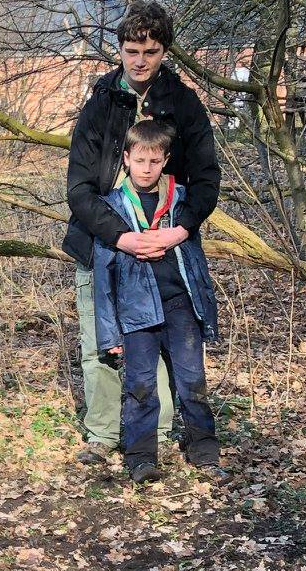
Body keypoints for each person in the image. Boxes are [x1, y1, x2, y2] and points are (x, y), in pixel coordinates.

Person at [63, 0, 222, 466]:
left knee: (173, 345)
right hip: (105, 241)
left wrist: (180, 231)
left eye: (150, 51)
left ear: (164, 51)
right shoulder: (100, 106)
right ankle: (104, 433)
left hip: (167, 242)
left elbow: (207, 181)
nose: (139, 60)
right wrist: (121, 237)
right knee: (102, 342)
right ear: (120, 49)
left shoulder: (184, 105)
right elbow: (78, 189)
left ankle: (166, 432)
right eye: (131, 50)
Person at [91, 120, 223, 482]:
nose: (147, 169)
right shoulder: (111, 208)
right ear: (126, 159)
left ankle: (205, 453)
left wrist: (205, 310)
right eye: (139, 161)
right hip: (136, 314)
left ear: (165, 160)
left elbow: (197, 263)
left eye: (154, 161)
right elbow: (103, 278)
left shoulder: (183, 201)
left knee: (192, 382)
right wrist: (109, 334)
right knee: (140, 386)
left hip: (181, 307)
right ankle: (141, 458)